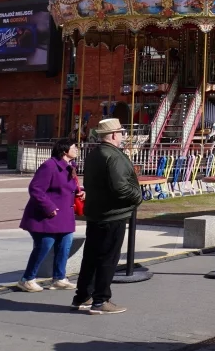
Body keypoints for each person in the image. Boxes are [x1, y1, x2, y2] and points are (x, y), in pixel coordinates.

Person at [72, 119, 142, 315]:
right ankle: (101, 299)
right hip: (112, 214)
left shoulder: (95, 153)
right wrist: (137, 197)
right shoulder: (113, 156)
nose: (122, 136)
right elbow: (120, 187)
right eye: (121, 133)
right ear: (113, 135)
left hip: (97, 212)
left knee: (91, 257)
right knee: (108, 258)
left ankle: (83, 295)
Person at [17, 138, 84, 292]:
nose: (77, 149)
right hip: (46, 216)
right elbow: (35, 189)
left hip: (64, 216)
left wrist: (81, 192)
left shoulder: (70, 167)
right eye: (74, 147)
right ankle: (27, 279)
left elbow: (68, 188)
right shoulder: (50, 166)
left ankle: (59, 278)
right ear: (64, 150)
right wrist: (49, 207)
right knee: (44, 246)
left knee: (64, 247)